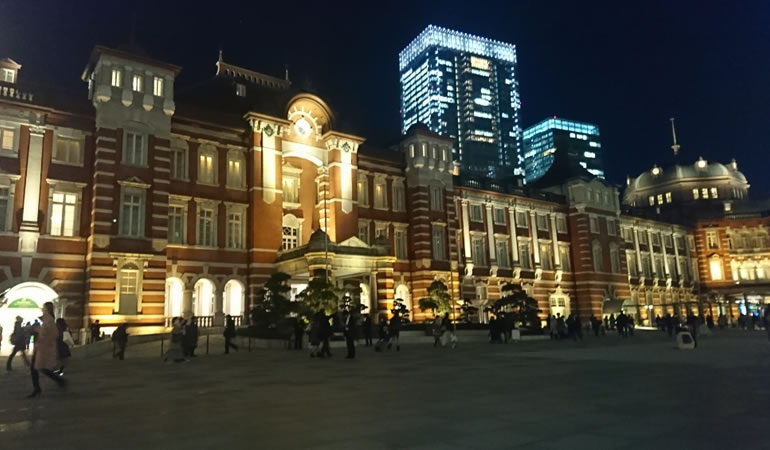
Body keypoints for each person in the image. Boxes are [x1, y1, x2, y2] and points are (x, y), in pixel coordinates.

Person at [28, 302, 66, 398]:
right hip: (41, 347)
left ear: (47, 309)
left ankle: (39, 387)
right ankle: (56, 381)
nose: (42, 309)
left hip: (43, 348)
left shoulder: (48, 319)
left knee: (38, 367)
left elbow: (49, 333)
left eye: (43, 307)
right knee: (38, 367)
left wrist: (36, 330)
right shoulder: (47, 319)